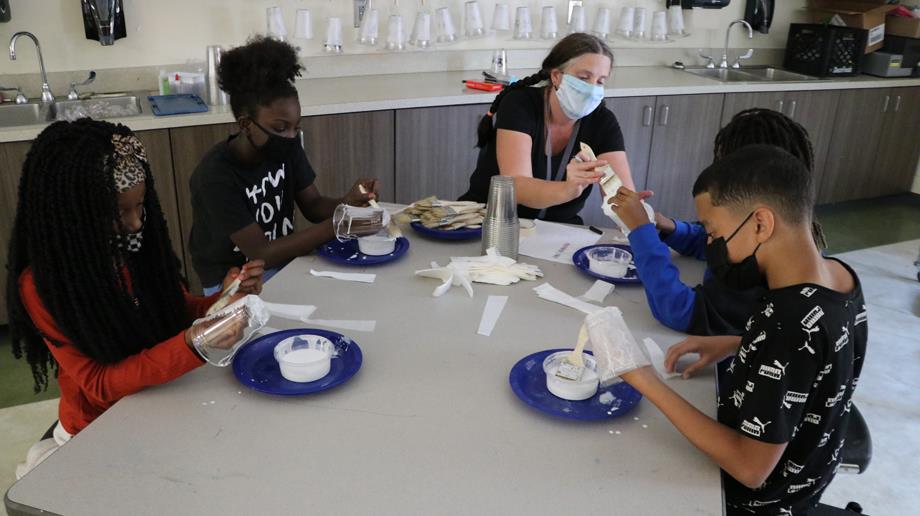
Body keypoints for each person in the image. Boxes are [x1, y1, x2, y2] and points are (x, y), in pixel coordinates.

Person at [606, 145, 867, 515]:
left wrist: (644, 379)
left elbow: (749, 469)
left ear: (761, 223)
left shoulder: (788, 322)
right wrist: (738, 344)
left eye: (712, 232)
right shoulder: (839, 275)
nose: (709, 244)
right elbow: (820, 354)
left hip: (755, 503)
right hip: (805, 479)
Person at [6, 119, 265, 477]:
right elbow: (99, 383)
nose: (135, 224)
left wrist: (225, 297)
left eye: (140, 206)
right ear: (74, 216)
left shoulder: (136, 249)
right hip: (97, 427)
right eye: (118, 213)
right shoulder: (45, 286)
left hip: (157, 398)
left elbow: (175, 310)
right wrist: (193, 344)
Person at [610, 109, 827, 336]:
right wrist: (671, 228)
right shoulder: (787, 234)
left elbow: (681, 312)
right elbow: (717, 241)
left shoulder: (760, 267)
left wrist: (641, 232)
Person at [189, 36, 379, 295]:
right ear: (246, 125)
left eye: (295, 127)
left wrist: (350, 200)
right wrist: (338, 225)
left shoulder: (285, 147)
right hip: (233, 281)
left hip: (283, 261)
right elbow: (261, 253)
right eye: (280, 128)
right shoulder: (215, 177)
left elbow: (313, 206)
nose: (290, 137)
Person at [459, 33, 633, 224]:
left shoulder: (602, 121)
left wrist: (640, 217)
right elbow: (517, 186)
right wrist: (568, 189)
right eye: (584, 78)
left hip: (558, 230)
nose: (592, 89)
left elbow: (622, 196)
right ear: (557, 76)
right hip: (490, 221)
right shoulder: (520, 104)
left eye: (600, 81)